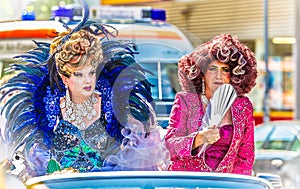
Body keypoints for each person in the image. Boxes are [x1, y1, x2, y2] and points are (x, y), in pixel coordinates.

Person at [0, 1, 169, 181]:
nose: (88, 80)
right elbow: (40, 162)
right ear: (65, 78)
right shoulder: (49, 111)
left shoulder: (114, 107)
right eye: (78, 74)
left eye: (91, 72)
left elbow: (133, 161)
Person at [165, 33, 257, 175]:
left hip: (224, 185)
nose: (219, 76)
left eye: (225, 70)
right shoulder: (185, 101)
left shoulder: (242, 106)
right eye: (212, 69)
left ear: (233, 75)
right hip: (187, 183)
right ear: (201, 73)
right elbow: (171, 146)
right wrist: (199, 138)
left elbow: (245, 157)